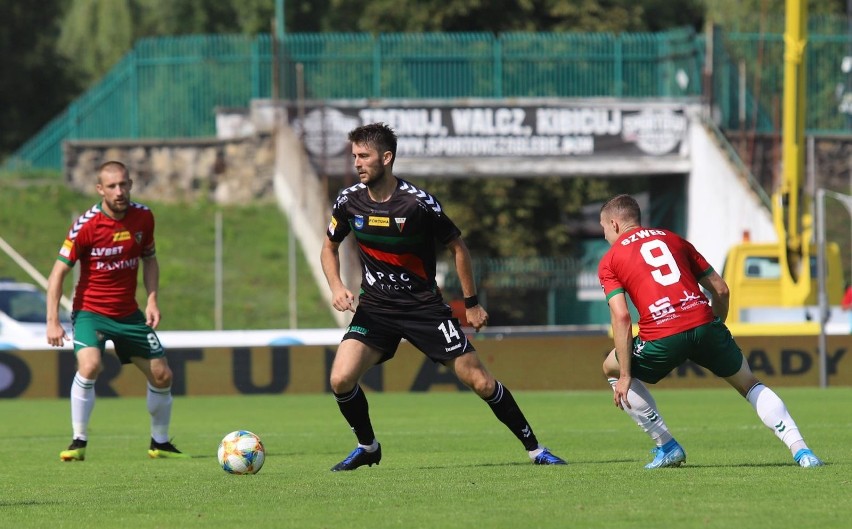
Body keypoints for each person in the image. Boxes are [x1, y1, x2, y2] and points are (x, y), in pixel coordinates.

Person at [320, 122, 566, 471]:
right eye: (354, 156)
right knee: (340, 378)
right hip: (376, 309)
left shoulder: (417, 204)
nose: (357, 163)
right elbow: (328, 248)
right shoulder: (349, 201)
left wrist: (472, 303)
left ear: (386, 158)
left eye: (364, 156)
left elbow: (457, 247)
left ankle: (536, 449)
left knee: (480, 381)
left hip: (424, 310)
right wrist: (336, 286)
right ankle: (368, 446)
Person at [597, 194, 823, 469]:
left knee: (610, 366)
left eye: (604, 228)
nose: (605, 234)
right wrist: (716, 325)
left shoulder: (610, 260)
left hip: (662, 332)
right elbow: (722, 289)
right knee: (750, 383)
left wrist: (625, 375)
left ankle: (666, 445)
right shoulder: (674, 239)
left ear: (614, 223)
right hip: (704, 321)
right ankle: (802, 452)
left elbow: (621, 316)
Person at [46, 161, 188, 462]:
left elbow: (150, 259)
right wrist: (52, 322)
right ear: (100, 189)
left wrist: (151, 301)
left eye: (123, 184)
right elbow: (57, 273)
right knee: (90, 366)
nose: (119, 191)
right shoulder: (86, 225)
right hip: (91, 312)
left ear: (131, 184)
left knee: (162, 375)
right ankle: (78, 441)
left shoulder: (144, 217)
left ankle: (159, 444)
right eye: (112, 186)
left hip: (128, 314)